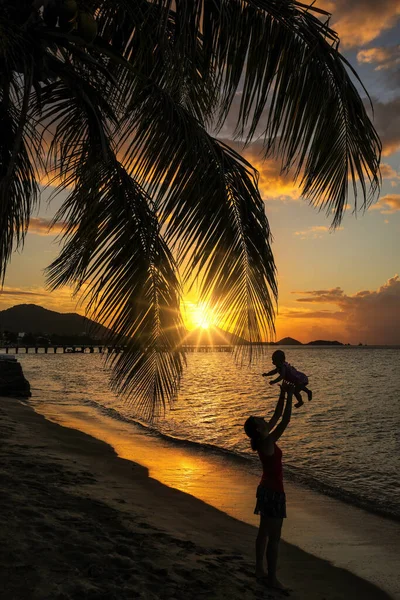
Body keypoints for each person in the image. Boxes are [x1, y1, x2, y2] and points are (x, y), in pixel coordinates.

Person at [244, 386, 293, 596]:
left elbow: (276, 415)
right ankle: (271, 578)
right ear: (259, 428)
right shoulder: (267, 441)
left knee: (264, 532)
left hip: (265, 490)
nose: (264, 418)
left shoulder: (264, 438)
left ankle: (259, 569)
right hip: (273, 492)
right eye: (260, 419)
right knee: (274, 537)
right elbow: (284, 420)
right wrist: (291, 396)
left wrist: (283, 393)